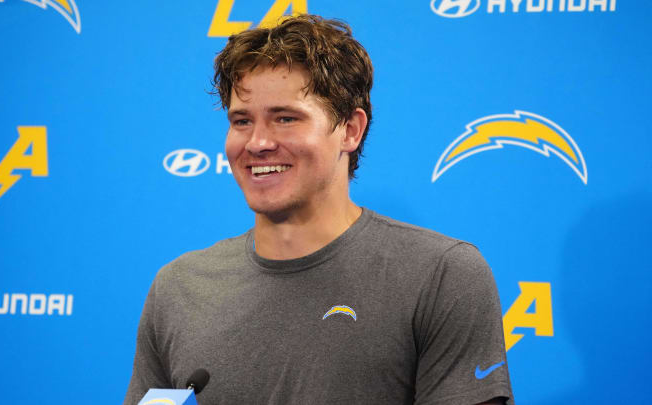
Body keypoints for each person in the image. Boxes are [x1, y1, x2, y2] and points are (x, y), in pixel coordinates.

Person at [124, 14, 513, 405]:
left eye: (286, 118)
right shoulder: (178, 287)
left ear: (350, 130)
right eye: (242, 120)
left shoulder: (441, 275)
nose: (257, 142)